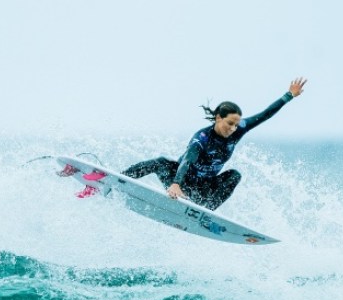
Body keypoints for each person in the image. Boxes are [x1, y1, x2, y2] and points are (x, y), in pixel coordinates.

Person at [122, 78, 307, 210]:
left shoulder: (239, 129)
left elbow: (265, 114)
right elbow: (187, 160)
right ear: (218, 118)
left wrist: (289, 95)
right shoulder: (201, 138)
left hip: (204, 189)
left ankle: (206, 211)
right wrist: (176, 184)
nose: (233, 128)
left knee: (234, 175)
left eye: (236, 124)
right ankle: (120, 178)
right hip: (179, 183)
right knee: (160, 161)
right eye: (230, 124)